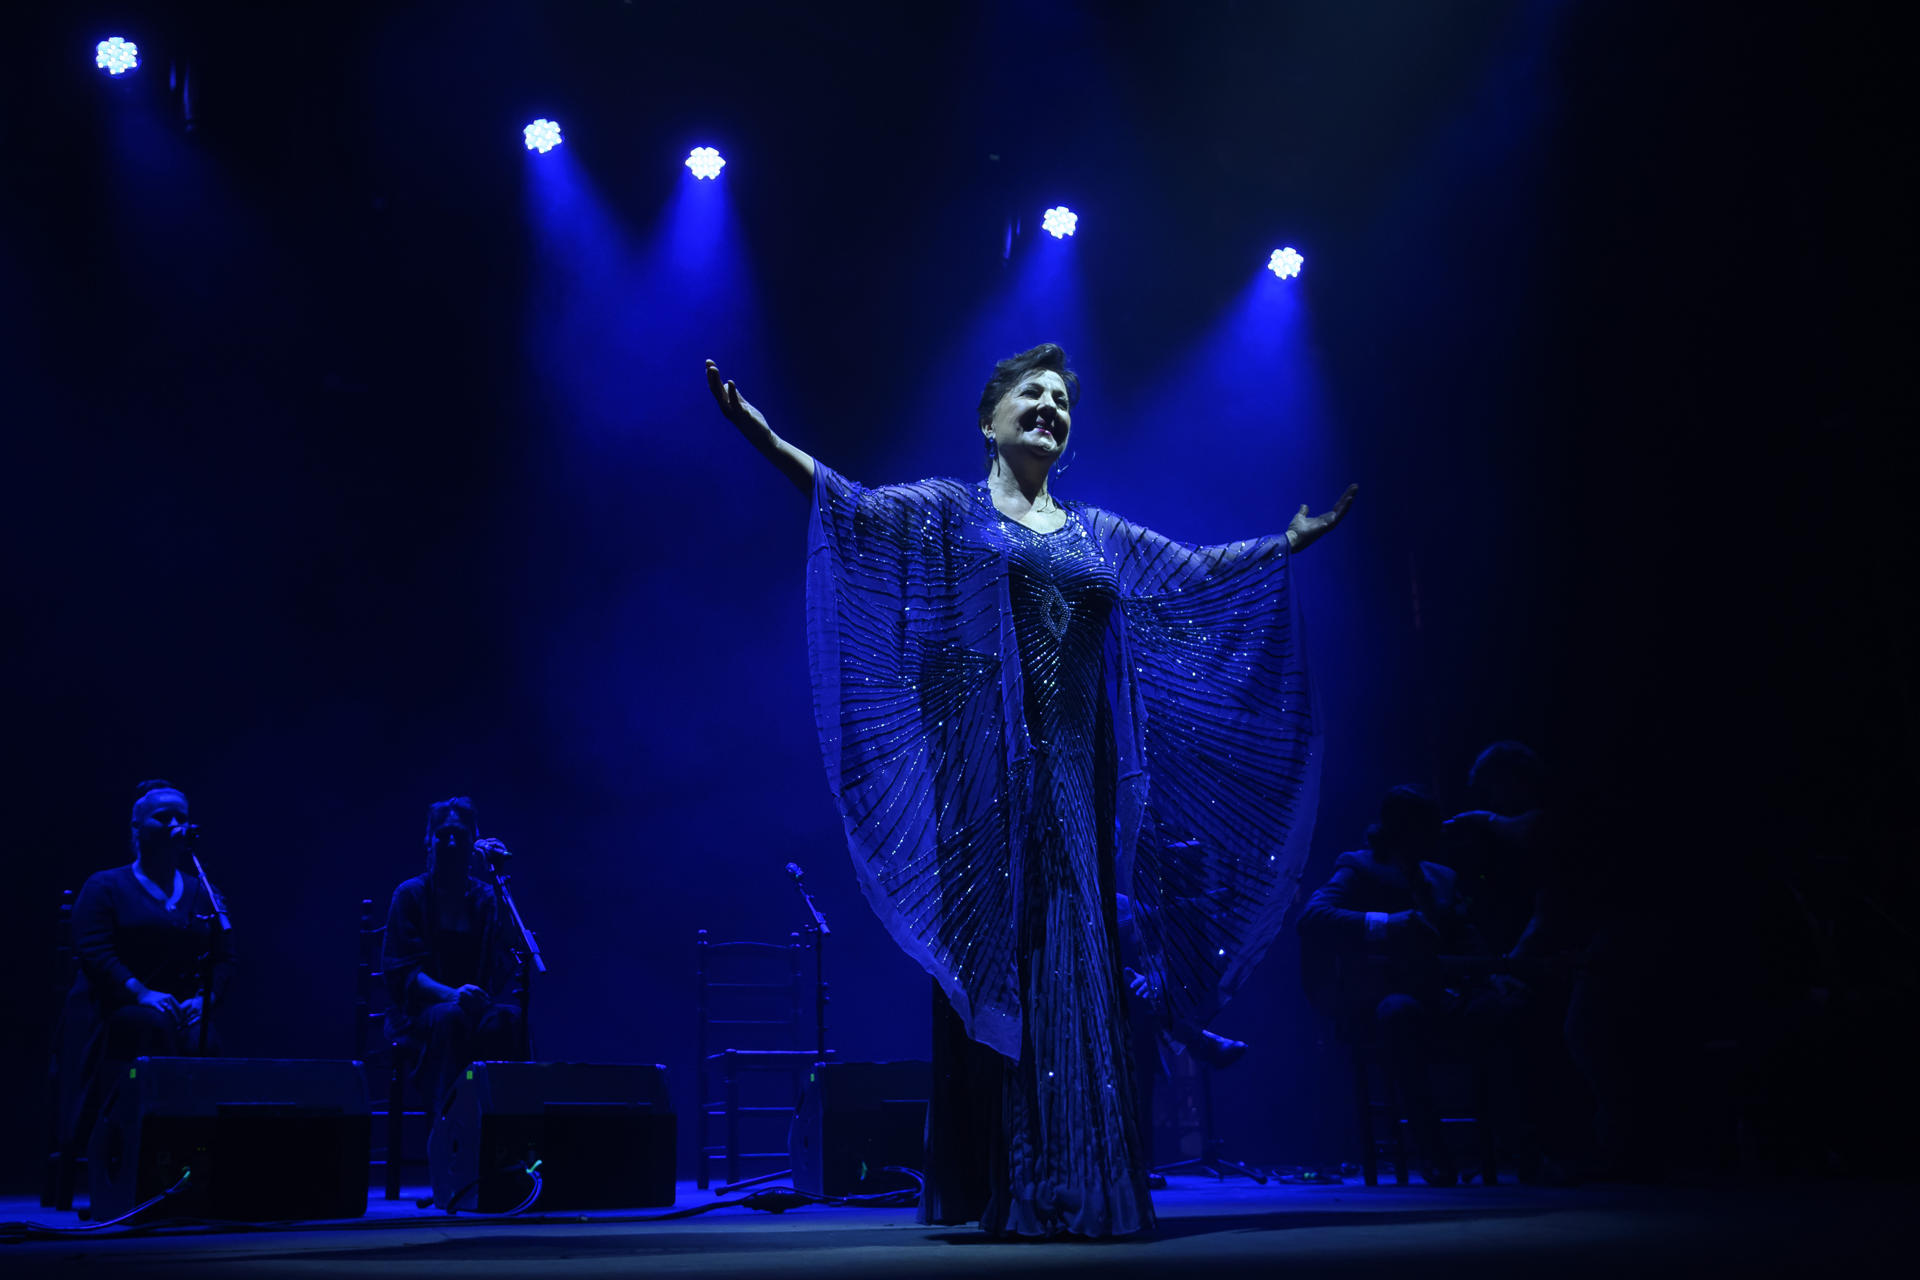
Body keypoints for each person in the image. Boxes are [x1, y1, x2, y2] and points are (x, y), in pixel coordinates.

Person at [706, 345, 1355, 1236]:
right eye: (1032, 395)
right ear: (989, 419)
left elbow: (1190, 573)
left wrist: (1280, 544)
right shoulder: (947, 511)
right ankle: (1005, 1179)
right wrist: (766, 436)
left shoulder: (1097, 535)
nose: (1050, 408)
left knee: (1076, 960)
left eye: (1062, 401)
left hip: (1075, 782)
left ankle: (1073, 1175)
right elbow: (850, 507)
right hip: (981, 784)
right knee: (1005, 960)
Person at [1298, 784, 1516, 1186]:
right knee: (1401, 1014)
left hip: (1445, 995)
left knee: (1506, 1010)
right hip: (1385, 997)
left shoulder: (1443, 877)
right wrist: (1387, 923)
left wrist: (1496, 973)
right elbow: (1313, 917)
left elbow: (1468, 937)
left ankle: (1525, 1145)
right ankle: (1431, 1150)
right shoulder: (1358, 866)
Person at [55, 780, 235, 1208]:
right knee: (150, 1029)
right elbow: (94, 950)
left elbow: (226, 956)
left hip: (179, 1009)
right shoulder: (106, 886)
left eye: (181, 816)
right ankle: (139, 1158)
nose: (174, 823)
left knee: (208, 1042)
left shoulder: (199, 889)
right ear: (137, 829)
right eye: (163, 816)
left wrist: (204, 1000)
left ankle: (200, 1164)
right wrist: (140, 992)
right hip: (115, 1007)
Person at [382, 797, 526, 1109]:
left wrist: (500, 883)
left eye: (459, 835)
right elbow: (403, 972)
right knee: (451, 1019)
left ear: (473, 843)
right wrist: (452, 995)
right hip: (419, 1013)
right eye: (443, 833)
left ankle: (507, 1130)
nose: (450, 841)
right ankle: (448, 1129)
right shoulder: (410, 895)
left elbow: (508, 948)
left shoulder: (485, 898)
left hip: (472, 1008)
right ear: (428, 841)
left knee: (511, 1021)